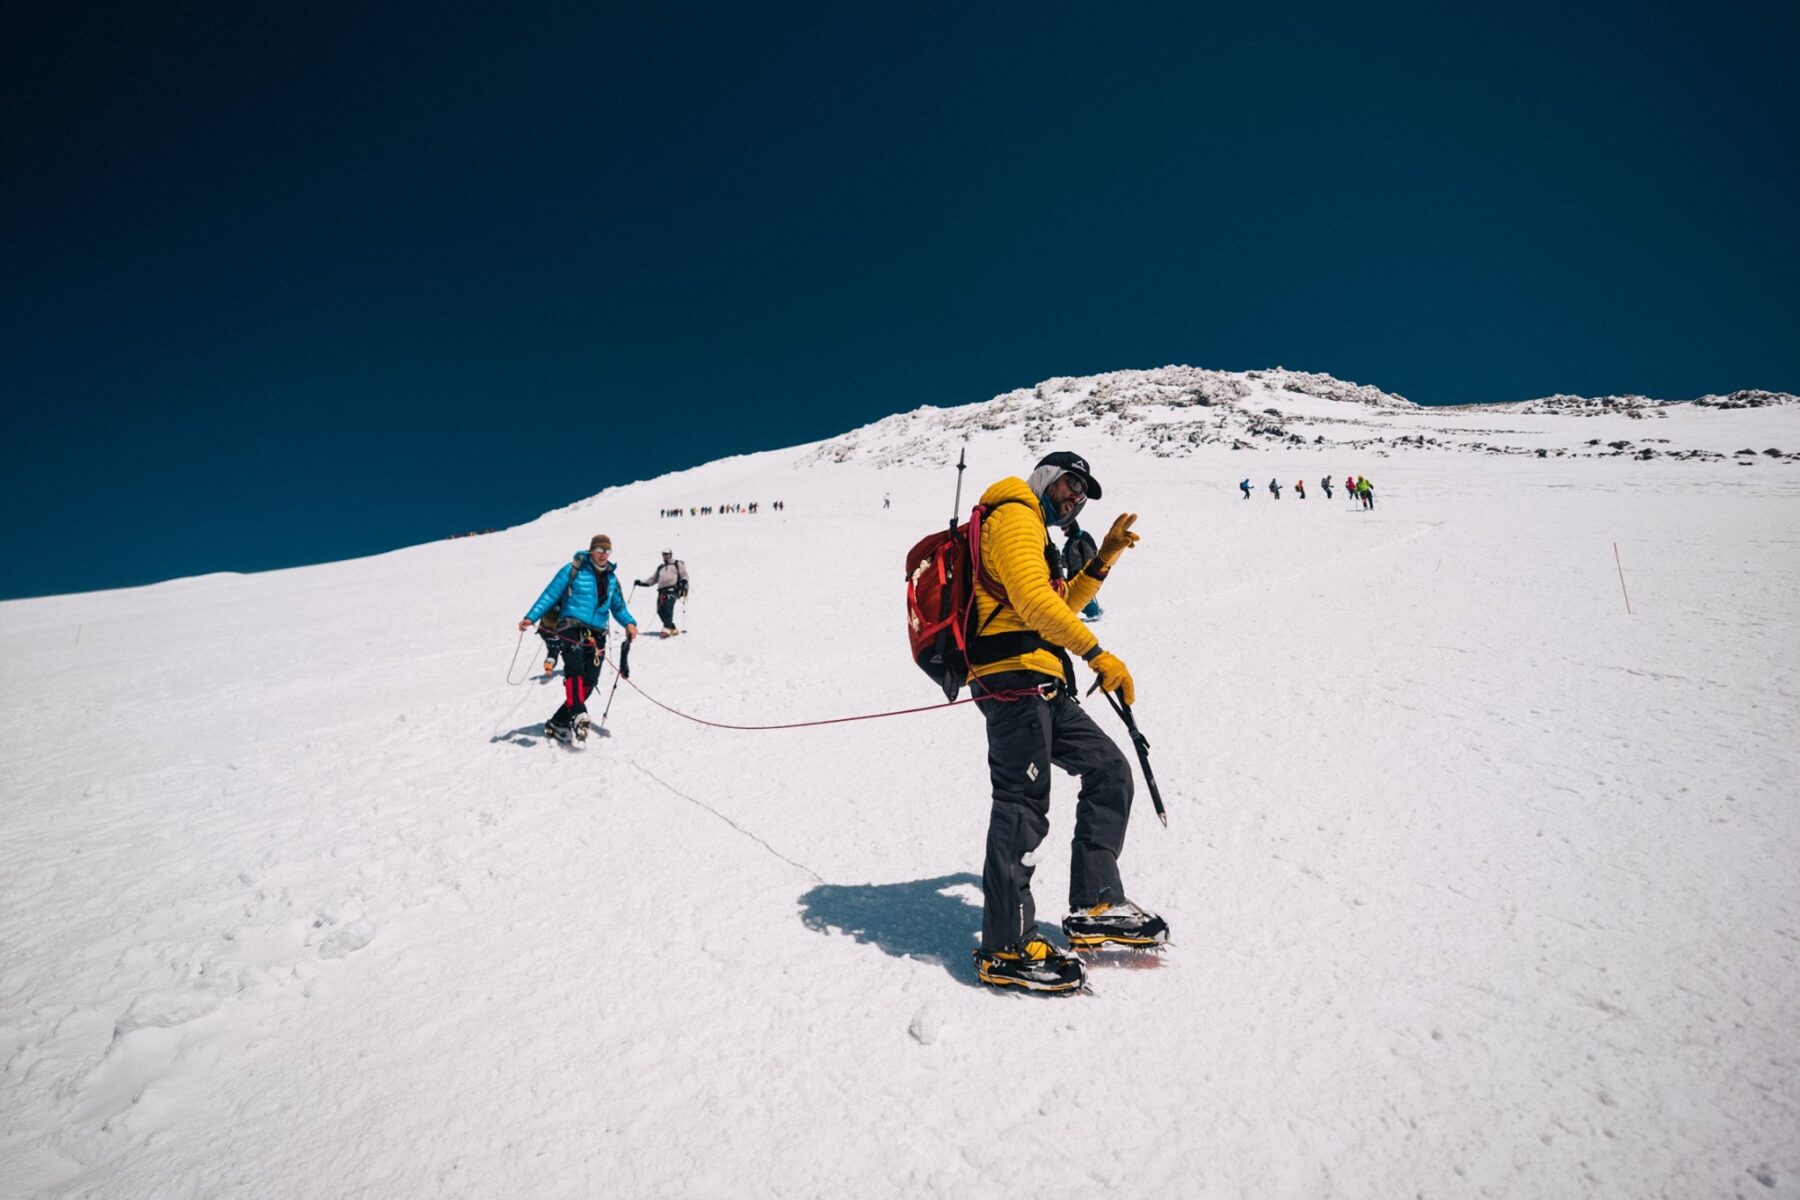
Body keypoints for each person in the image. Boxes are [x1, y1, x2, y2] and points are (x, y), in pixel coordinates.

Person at [966, 451, 1167, 994]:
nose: (1075, 499)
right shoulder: (1013, 513)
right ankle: (1005, 946)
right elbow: (1033, 603)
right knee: (1022, 802)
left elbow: (1059, 603)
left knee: (1109, 770)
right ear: (1046, 478)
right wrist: (1099, 654)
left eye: (1082, 495)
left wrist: (1103, 558)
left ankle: (1096, 903)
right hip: (1011, 679)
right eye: (1070, 485)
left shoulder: (1037, 534)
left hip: (1045, 682)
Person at [518, 535, 638, 742]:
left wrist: (629, 623)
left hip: (598, 633)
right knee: (574, 669)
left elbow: (618, 606)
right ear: (591, 550)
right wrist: (531, 617)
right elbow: (550, 594)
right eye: (599, 550)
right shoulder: (574, 569)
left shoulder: (611, 578)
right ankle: (579, 712)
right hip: (571, 626)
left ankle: (558, 721)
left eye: (607, 551)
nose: (603, 555)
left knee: (590, 680)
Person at [636, 550, 690, 637]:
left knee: (668, 607)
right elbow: (653, 579)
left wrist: (684, 581)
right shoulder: (660, 567)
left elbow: (684, 573)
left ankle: (666, 629)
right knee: (660, 610)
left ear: (671, 554)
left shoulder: (677, 564)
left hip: (673, 589)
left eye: (667, 554)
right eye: (664, 554)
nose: (665, 556)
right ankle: (672, 628)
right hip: (662, 591)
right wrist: (641, 583)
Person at [1060, 520, 1103, 621]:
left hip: (1081, 571)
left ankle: (1094, 613)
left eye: (1065, 528)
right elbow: (1067, 557)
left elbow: (1090, 553)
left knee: (1083, 593)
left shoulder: (1082, 537)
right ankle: (1070, 614)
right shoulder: (1070, 541)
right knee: (1072, 594)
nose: (1064, 531)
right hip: (1072, 572)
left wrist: (1088, 568)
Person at [537, 603, 566, 674]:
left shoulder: (548, 603)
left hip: (545, 631)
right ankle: (573, 667)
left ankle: (550, 661)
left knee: (553, 650)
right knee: (569, 650)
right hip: (559, 631)